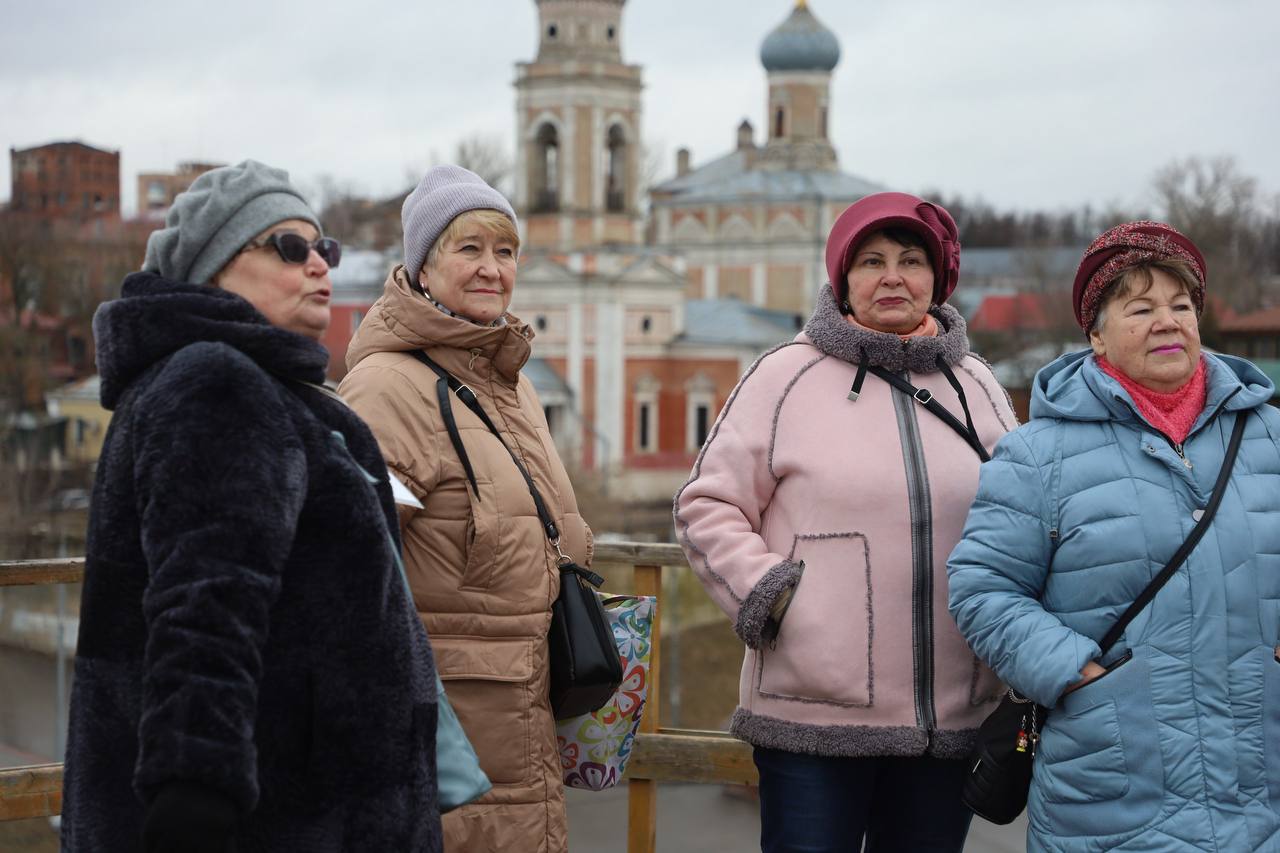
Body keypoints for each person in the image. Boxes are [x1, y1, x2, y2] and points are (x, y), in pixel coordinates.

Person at [60, 160, 443, 853]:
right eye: (289, 247)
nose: (318, 265)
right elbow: (205, 607)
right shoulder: (216, 385)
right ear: (214, 268)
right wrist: (196, 795)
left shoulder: (263, 388)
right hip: (282, 818)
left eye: (324, 248)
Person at [674, 192, 1018, 852]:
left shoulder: (975, 383)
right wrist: (768, 594)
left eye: (911, 260)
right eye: (871, 261)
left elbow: (1026, 510)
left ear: (937, 279)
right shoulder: (785, 375)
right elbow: (706, 504)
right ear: (842, 277)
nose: (892, 276)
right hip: (814, 717)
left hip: (948, 720)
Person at [948, 221, 1280, 851]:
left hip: (1260, 774)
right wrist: (1077, 673)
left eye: (1182, 306)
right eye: (1141, 308)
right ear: (1096, 335)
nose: (1167, 321)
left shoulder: (1268, 436)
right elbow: (982, 587)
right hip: (1112, 778)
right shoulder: (1037, 455)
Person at [337, 165, 591, 853]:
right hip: (451, 744)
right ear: (422, 265)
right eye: (468, 249)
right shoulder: (387, 389)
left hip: (526, 722)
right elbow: (352, 584)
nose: (491, 270)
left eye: (504, 252)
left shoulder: (512, 386)